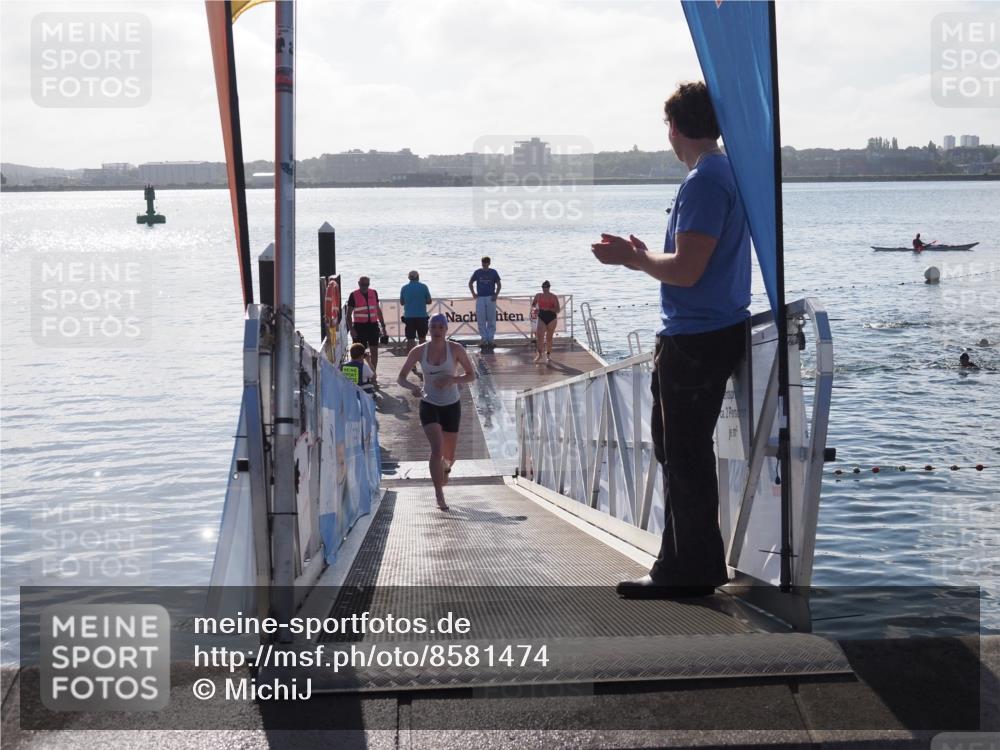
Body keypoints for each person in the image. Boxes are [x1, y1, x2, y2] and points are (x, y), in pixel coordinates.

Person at [591, 81, 750, 599]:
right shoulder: (725, 173)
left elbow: (686, 270)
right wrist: (642, 255)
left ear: (675, 127)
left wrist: (633, 259)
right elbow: (693, 263)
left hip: (696, 337)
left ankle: (688, 569)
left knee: (683, 454)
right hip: (709, 330)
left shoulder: (704, 181)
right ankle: (683, 563)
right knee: (680, 451)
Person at [397, 314, 477, 510]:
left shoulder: (455, 349)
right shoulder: (419, 351)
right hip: (429, 402)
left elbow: (471, 375)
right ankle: (439, 495)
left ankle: (446, 468)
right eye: (434, 326)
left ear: (446, 329)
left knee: (449, 455)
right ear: (429, 329)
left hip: (451, 404)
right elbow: (401, 378)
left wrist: (452, 380)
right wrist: (414, 388)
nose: (437, 330)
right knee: (436, 448)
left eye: (441, 327)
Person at [347, 276, 386, 373]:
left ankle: (373, 374)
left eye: (367, 284)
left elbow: (378, 310)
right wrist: (351, 329)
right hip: (359, 327)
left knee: (374, 351)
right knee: (358, 353)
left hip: (373, 326)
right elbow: (348, 314)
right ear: (359, 284)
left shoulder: (374, 292)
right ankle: (360, 374)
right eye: (363, 284)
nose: (365, 286)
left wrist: (383, 326)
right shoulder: (353, 295)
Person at [468, 256, 501, 349]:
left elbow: (499, 284)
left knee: (491, 319)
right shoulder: (477, 272)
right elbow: (470, 283)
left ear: (489, 263)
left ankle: (490, 339)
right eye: (483, 262)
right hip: (480, 297)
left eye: (486, 262)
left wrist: (496, 295)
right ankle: (484, 339)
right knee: (481, 319)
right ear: (481, 263)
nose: (485, 264)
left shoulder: (493, 272)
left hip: (491, 297)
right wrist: (473, 293)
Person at [400, 270, 432, 352]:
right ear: (418, 277)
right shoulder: (423, 287)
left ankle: (411, 358)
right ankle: (423, 357)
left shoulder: (404, 288)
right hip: (422, 316)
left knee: (410, 339)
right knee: (422, 339)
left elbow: (402, 302)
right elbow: (429, 301)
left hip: (409, 317)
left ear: (409, 278)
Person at [530, 281, 560, 363]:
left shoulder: (553, 297)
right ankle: (539, 354)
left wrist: (549, 309)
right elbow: (533, 305)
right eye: (543, 287)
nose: (545, 289)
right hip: (541, 317)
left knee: (549, 338)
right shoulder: (538, 295)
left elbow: (558, 310)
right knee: (540, 337)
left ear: (549, 288)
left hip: (551, 318)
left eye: (546, 287)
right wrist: (535, 309)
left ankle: (548, 354)